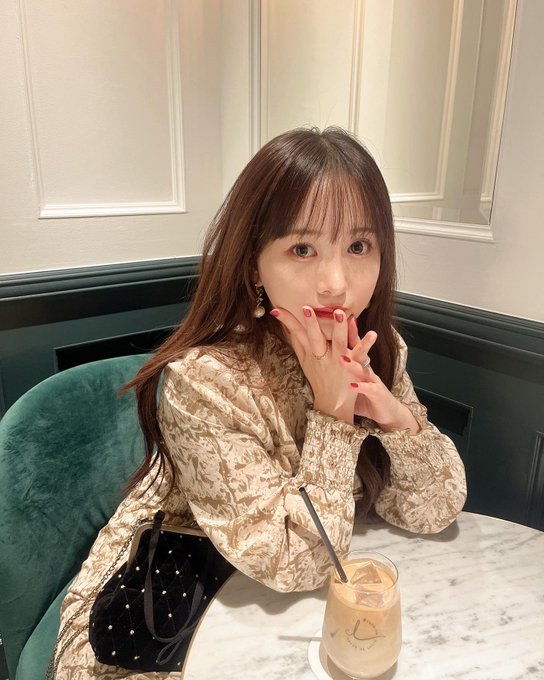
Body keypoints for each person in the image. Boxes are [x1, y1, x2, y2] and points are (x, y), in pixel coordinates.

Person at [54, 127, 466, 678]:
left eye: (358, 246)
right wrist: (333, 415)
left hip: (294, 608)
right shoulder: (206, 381)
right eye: (302, 249)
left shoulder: (378, 350)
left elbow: (432, 510)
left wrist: (396, 420)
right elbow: (300, 562)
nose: (336, 283)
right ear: (254, 265)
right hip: (165, 612)